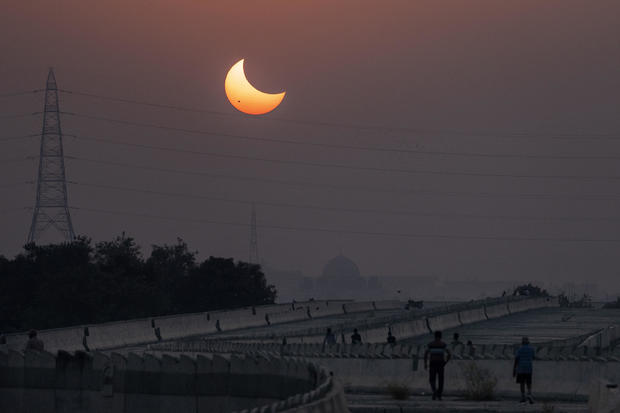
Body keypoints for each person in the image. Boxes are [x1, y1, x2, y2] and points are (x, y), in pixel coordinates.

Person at [424, 330, 451, 400]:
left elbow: (426, 354)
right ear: (441, 336)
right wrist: (445, 362)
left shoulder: (430, 344)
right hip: (441, 363)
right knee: (441, 379)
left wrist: (425, 364)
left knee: (432, 379)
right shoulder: (443, 344)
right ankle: (439, 394)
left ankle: (434, 391)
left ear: (435, 336)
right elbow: (449, 354)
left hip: (432, 363)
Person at [514, 336, 535, 404]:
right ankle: (529, 394)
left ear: (522, 342)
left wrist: (514, 369)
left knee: (522, 383)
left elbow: (516, 359)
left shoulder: (519, 349)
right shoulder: (531, 349)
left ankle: (523, 397)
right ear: (528, 342)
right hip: (529, 368)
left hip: (521, 369)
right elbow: (533, 357)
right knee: (529, 383)